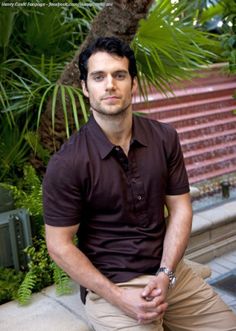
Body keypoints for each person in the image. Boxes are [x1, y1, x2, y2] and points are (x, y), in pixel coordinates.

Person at [43, 36, 236, 331]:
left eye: (119, 75)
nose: (109, 85)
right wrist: (118, 297)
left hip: (170, 275)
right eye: (98, 77)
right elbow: (58, 245)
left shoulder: (164, 138)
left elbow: (181, 209)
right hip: (111, 285)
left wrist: (166, 273)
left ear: (133, 83)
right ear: (85, 87)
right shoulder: (67, 163)